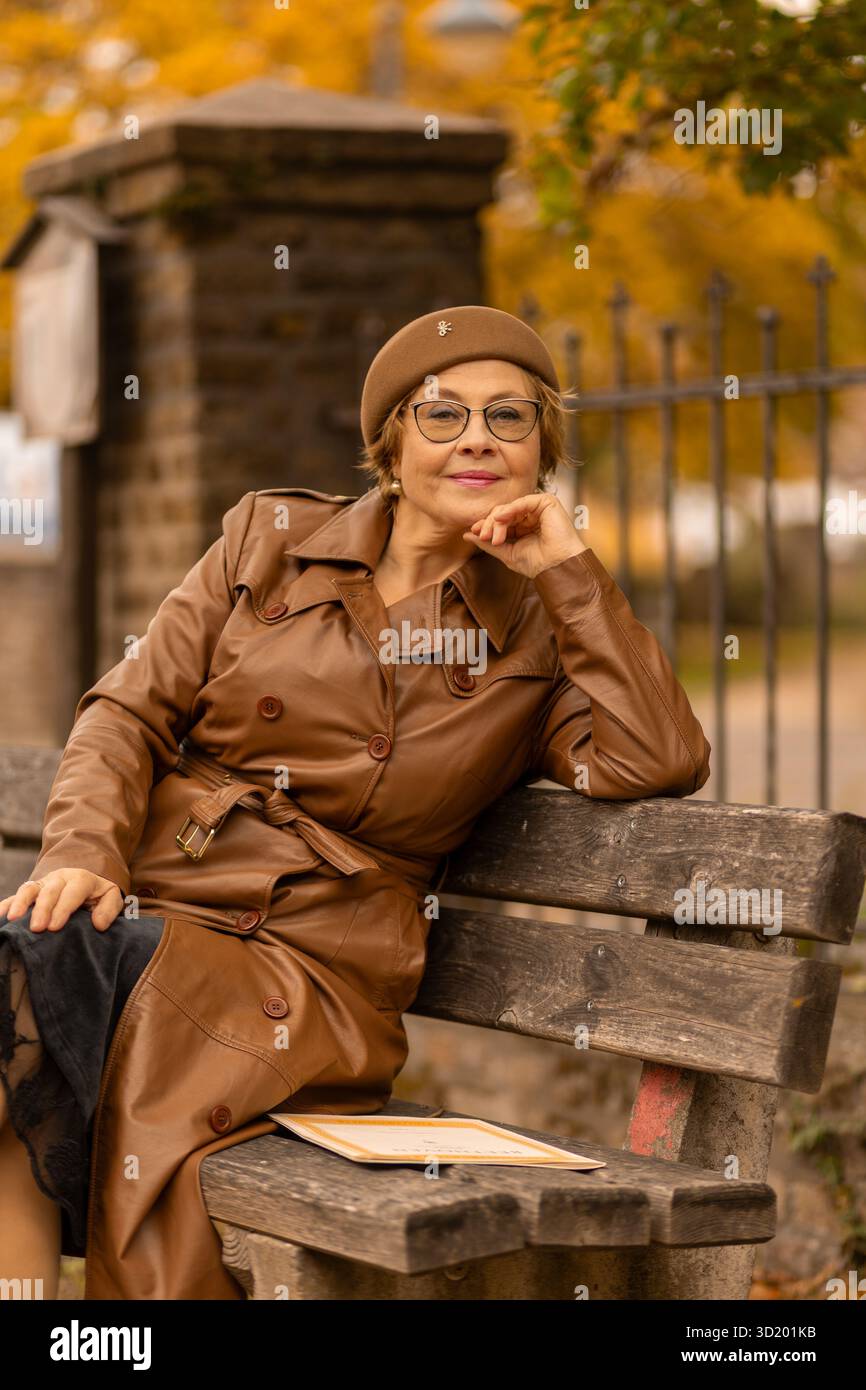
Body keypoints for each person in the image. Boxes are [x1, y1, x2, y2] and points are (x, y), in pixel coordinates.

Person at [0, 304, 711, 1300]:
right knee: (15, 988)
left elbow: (657, 758)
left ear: (540, 452)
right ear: (389, 446)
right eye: (443, 414)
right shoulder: (266, 541)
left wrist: (566, 571)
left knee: (25, 997)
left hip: (309, 970)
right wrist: (84, 850)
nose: (476, 436)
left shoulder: (540, 634)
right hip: (163, 908)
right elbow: (126, 711)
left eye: (509, 419)